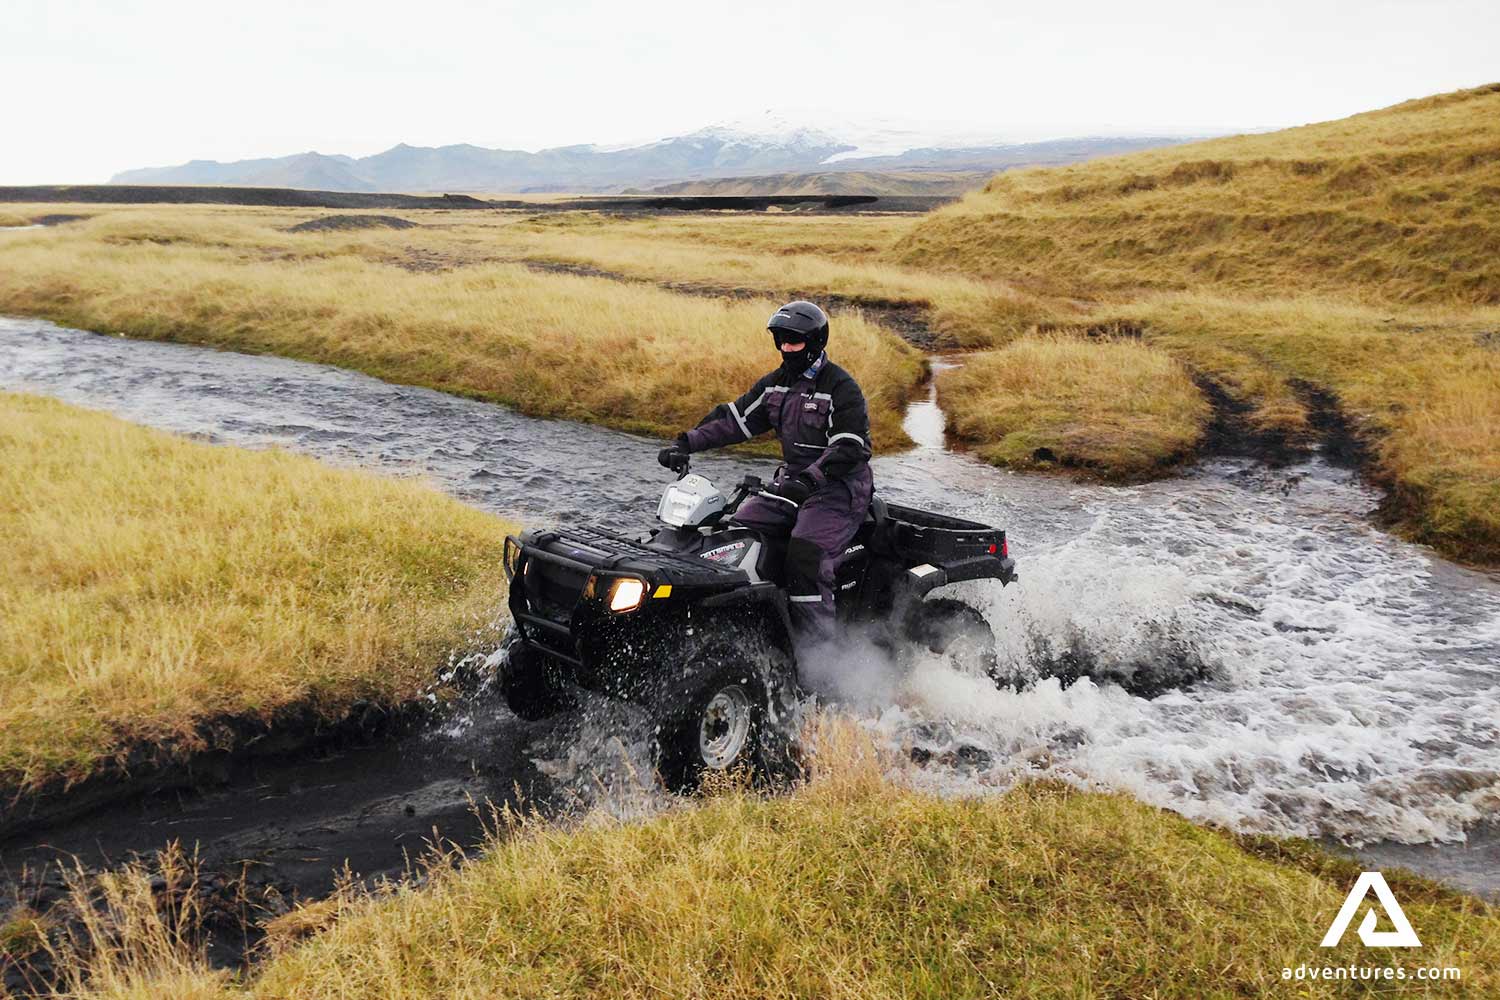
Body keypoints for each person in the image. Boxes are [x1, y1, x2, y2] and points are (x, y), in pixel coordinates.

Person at [658, 300, 873, 645]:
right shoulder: (777, 384)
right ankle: (754, 616)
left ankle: (818, 657)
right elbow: (734, 420)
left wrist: (811, 479)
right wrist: (685, 443)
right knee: (731, 535)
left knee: (806, 557)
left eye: (794, 341)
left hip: (839, 490)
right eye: (781, 340)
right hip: (790, 485)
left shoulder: (840, 387)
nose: (786, 348)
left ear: (816, 342)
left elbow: (849, 447)